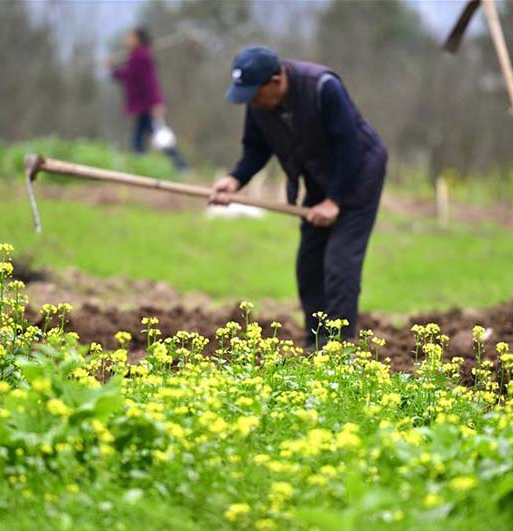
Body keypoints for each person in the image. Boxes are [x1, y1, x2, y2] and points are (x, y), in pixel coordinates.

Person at [209, 46, 387, 347]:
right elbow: (255, 148)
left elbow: (348, 146)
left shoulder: (322, 87)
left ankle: (340, 349)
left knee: (340, 264)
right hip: (318, 178)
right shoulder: (259, 104)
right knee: (309, 264)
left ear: (276, 80)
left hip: (358, 175)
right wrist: (235, 179)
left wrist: (335, 200)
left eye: (255, 93)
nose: (251, 101)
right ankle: (316, 343)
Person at [109, 27, 188, 172]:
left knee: (144, 140)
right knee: (145, 138)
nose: (127, 39)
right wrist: (113, 69)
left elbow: (150, 82)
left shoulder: (142, 56)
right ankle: (177, 166)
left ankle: (179, 166)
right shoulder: (135, 56)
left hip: (147, 106)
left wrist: (156, 104)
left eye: (130, 36)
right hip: (143, 106)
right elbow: (128, 76)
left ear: (138, 39)